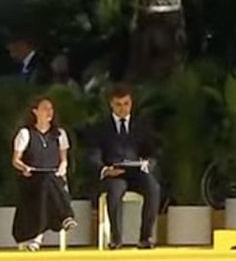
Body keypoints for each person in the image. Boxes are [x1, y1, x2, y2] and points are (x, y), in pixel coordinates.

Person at [87, 85, 161, 249]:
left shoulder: (141, 126)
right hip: (115, 174)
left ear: (131, 104)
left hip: (137, 172)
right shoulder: (101, 128)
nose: (123, 108)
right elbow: (93, 155)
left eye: (126, 104)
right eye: (118, 104)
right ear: (111, 105)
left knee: (153, 187)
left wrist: (148, 163)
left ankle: (145, 237)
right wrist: (105, 170)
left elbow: (153, 152)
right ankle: (116, 238)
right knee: (114, 191)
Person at [11, 96, 76, 251]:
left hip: (53, 178)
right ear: (35, 111)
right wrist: (24, 167)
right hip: (32, 178)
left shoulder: (59, 134)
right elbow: (15, 160)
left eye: (51, 109)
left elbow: (64, 159)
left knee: (49, 181)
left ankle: (37, 236)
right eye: (45, 108)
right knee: (45, 183)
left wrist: (63, 168)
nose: (49, 112)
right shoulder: (26, 133)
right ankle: (65, 215)